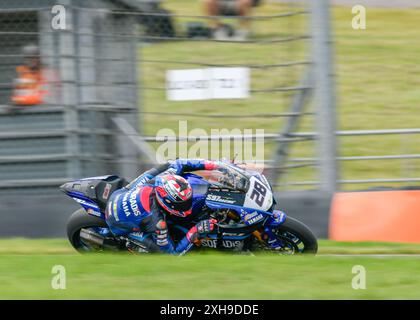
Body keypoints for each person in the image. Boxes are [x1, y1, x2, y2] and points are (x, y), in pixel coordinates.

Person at [105, 159, 220, 255]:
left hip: (123, 193)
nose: (187, 207)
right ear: (167, 203)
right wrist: (196, 230)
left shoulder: (165, 177)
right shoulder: (158, 223)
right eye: (182, 204)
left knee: (163, 166)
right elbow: (172, 254)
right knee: (159, 251)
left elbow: (179, 163)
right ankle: (129, 243)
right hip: (116, 222)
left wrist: (213, 165)